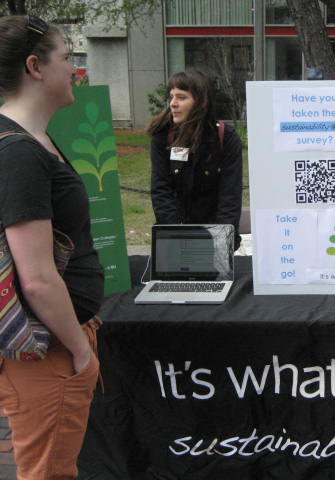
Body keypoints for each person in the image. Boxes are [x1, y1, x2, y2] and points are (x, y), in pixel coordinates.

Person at [0, 14, 104, 479]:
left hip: (62, 339)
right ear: (34, 67)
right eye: (67, 58)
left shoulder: (34, 141)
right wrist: (79, 353)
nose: (75, 69)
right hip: (48, 352)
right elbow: (37, 278)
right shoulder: (19, 152)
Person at [148, 69, 243, 250]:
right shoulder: (162, 136)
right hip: (175, 235)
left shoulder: (226, 138)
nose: (173, 104)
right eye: (171, 97)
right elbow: (161, 191)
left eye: (181, 97)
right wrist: (178, 237)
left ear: (200, 102)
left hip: (216, 236)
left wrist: (219, 242)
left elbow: (230, 197)